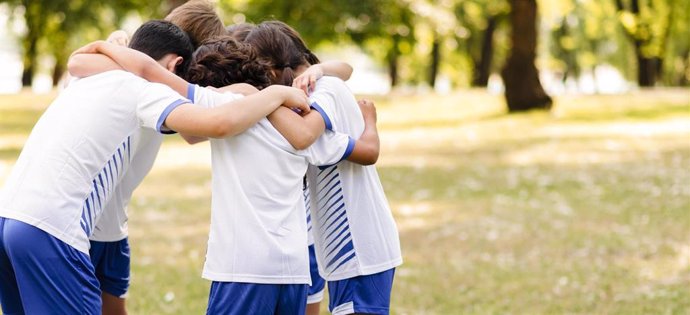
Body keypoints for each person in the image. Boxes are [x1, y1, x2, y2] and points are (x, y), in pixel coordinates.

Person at [0, 20, 310, 314]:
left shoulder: (89, 79)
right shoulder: (144, 90)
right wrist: (274, 93)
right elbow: (216, 124)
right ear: (175, 65)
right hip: (51, 230)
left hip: (8, 218)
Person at [246, 21, 403, 315]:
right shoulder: (321, 90)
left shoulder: (321, 96)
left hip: (359, 249)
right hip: (356, 250)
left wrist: (258, 97)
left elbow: (305, 136)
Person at [88, 3, 228, 313]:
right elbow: (198, 132)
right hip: (82, 226)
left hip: (111, 226)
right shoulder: (148, 84)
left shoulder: (167, 85)